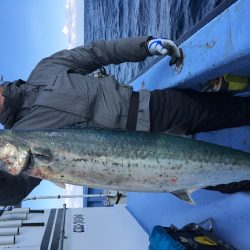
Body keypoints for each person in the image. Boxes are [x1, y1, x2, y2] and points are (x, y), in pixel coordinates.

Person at [0, 36, 250, 206]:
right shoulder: (22, 136)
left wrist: (145, 45)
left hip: (152, 108)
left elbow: (97, 53)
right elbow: (14, 191)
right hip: (151, 169)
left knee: (233, 110)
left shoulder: (45, 70)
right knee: (232, 179)